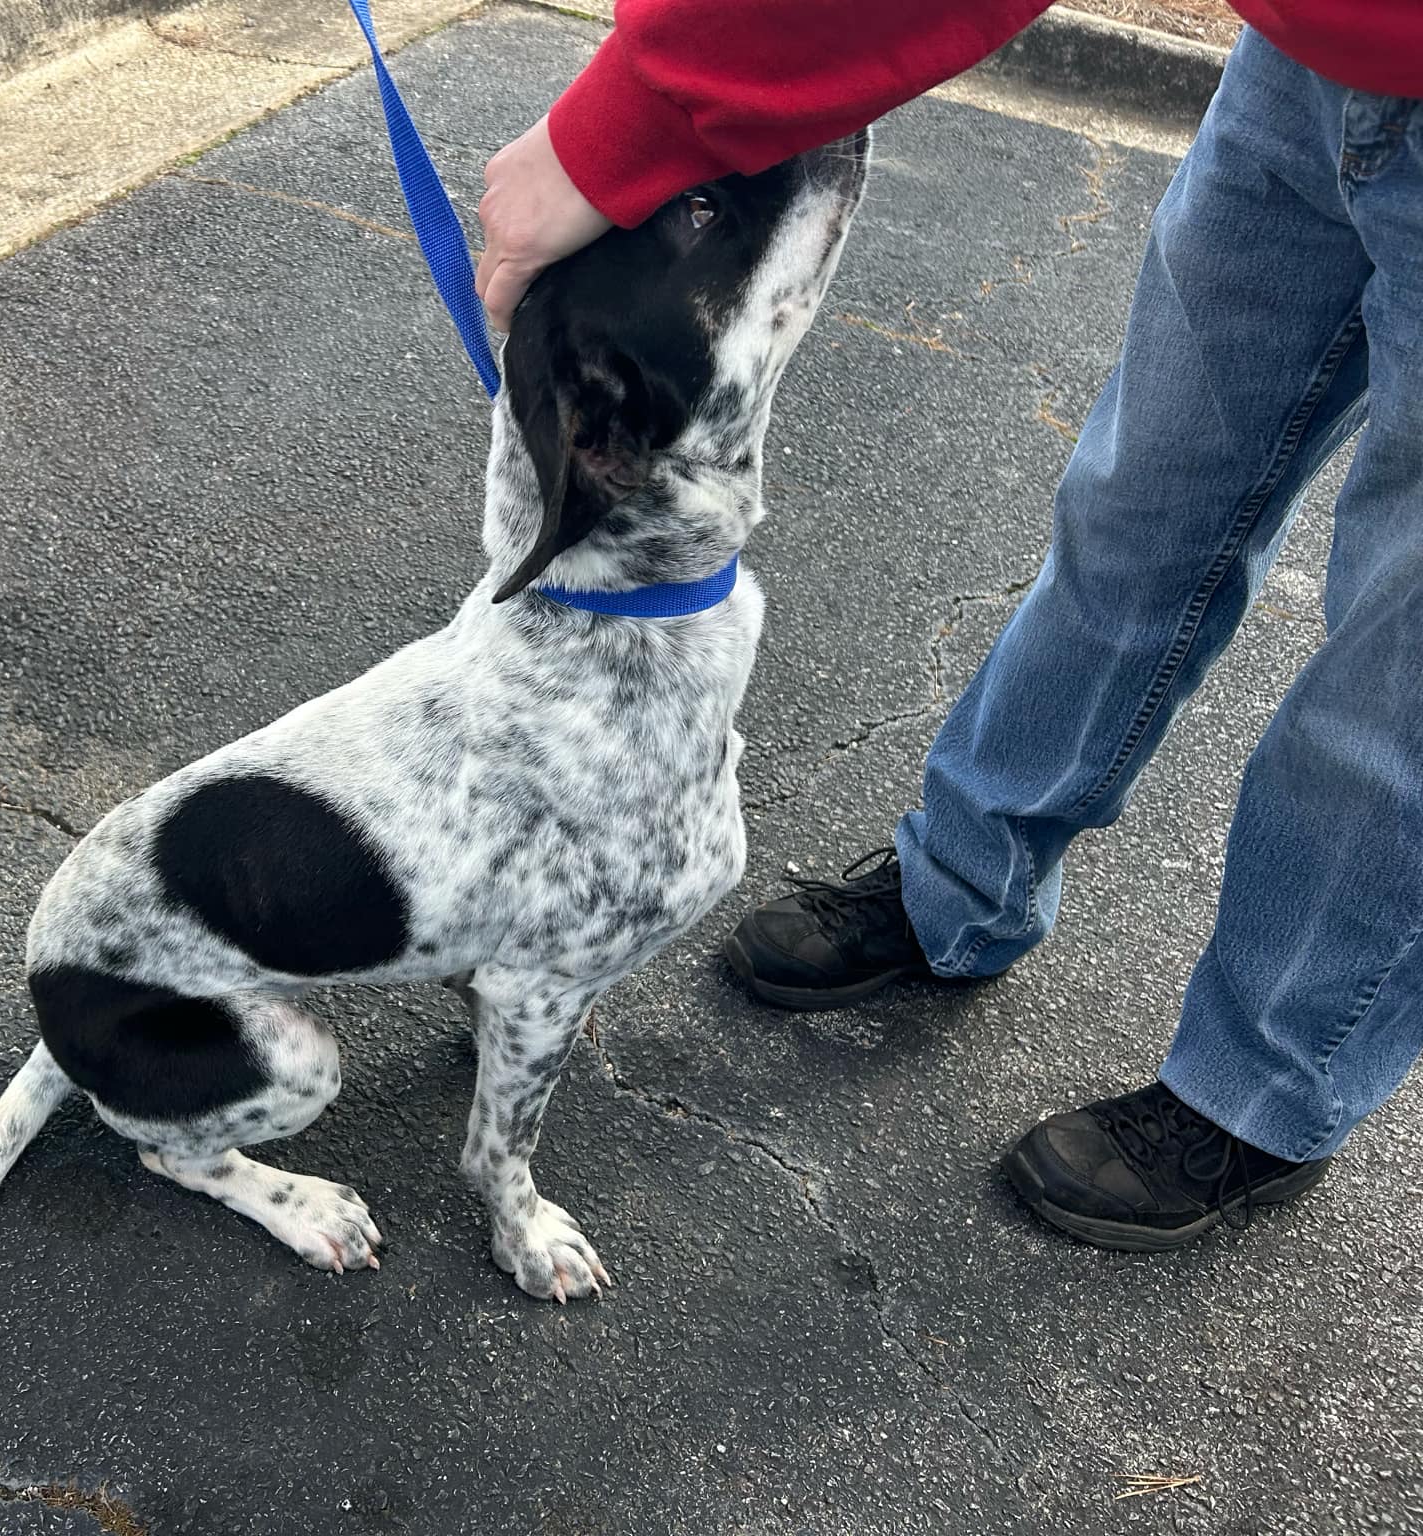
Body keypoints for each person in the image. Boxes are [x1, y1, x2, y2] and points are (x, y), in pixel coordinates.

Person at [476, 0, 1423, 1253]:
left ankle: (1267, 1083)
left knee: (1394, 677)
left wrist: (624, 125)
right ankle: (960, 891)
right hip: (1308, 67)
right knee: (1137, 509)